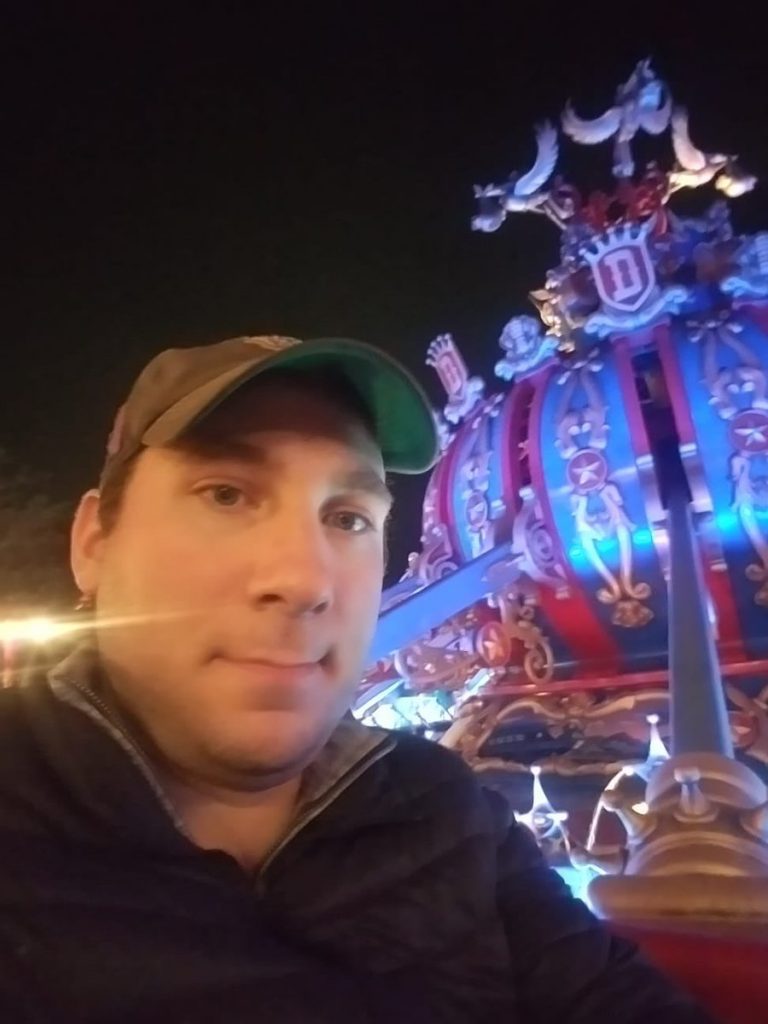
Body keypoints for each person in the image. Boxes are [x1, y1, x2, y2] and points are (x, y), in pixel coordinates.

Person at [0, 334, 716, 1023]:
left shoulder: (442, 807)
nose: (305, 581)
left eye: (347, 518)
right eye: (225, 494)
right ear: (93, 544)